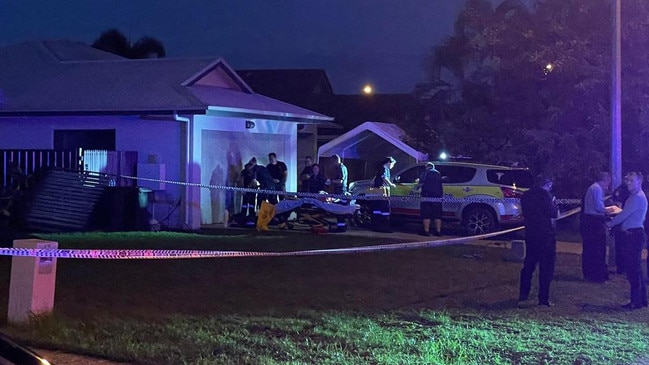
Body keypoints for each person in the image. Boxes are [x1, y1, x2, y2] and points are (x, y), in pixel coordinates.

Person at [606, 172, 648, 310]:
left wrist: (609, 224)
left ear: (639, 181)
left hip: (633, 235)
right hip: (634, 235)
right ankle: (641, 300)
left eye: (631, 180)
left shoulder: (636, 198)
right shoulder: (635, 196)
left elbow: (624, 215)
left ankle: (636, 301)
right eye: (627, 180)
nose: (628, 182)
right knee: (635, 269)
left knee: (633, 270)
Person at [518, 175, 559, 307]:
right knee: (546, 268)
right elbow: (553, 213)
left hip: (531, 233)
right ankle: (543, 299)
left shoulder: (526, 195)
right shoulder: (546, 195)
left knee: (528, 265)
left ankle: (523, 295)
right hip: (545, 235)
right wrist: (554, 204)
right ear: (547, 184)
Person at [580, 172, 612, 283]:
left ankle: (588, 273)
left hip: (588, 220)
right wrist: (609, 210)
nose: (607, 186)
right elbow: (598, 207)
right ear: (605, 180)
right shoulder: (597, 189)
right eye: (607, 183)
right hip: (595, 221)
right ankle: (597, 275)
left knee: (589, 248)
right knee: (598, 248)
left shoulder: (591, 188)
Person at [415, 162, 443, 236]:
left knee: (426, 214)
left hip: (426, 196)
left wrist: (416, 187)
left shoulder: (425, 173)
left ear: (427, 167)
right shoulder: (438, 173)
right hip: (437, 197)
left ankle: (426, 231)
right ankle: (438, 231)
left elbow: (421, 183)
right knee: (437, 214)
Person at [608, 182, 630, 274]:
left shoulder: (621, 191)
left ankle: (620, 267)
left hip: (620, 222)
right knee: (623, 246)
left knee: (619, 246)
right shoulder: (628, 192)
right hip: (623, 222)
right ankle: (622, 267)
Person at [371, 156, 396, 233]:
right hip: (382, 191)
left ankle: (376, 226)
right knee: (385, 208)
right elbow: (384, 177)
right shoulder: (384, 168)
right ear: (389, 163)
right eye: (393, 164)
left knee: (377, 209)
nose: (393, 166)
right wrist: (391, 184)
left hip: (377, 191)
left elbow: (374, 179)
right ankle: (385, 227)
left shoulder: (380, 168)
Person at [240, 157, 259, 225]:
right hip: (246, 189)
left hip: (252, 190)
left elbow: (255, 181)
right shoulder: (245, 171)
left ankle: (251, 220)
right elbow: (242, 180)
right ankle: (242, 219)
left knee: (252, 204)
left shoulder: (255, 170)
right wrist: (243, 189)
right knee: (244, 204)